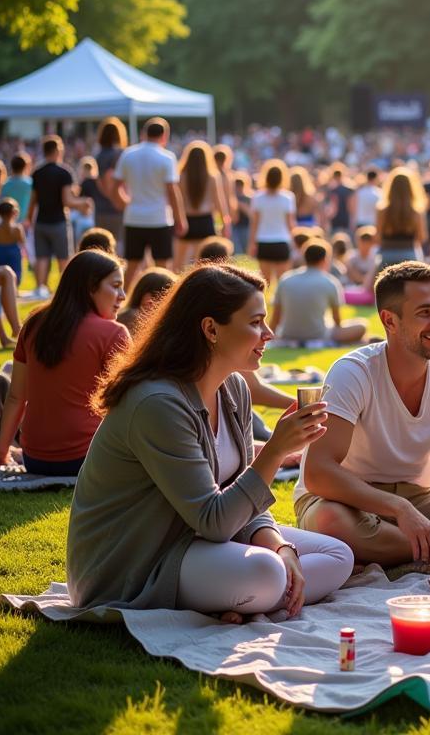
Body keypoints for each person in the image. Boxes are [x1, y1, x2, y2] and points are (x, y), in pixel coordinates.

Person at [66, 263, 354, 617]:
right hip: (139, 563)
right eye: (254, 322)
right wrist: (276, 450)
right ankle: (238, 596)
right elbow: (214, 521)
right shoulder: (157, 404)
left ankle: (235, 598)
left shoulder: (233, 388)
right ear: (211, 329)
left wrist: (280, 546)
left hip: (198, 541)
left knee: (337, 556)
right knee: (265, 573)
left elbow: (242, 497)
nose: (268, 333)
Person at [295, 261, 430, 566]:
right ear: (390, 321)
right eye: (425, 312)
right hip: (343, 498)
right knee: (332, 521)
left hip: (419, 499)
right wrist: (399, 509)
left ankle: (421, 545)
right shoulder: (353, 372)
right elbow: (318, 472)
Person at [0, 251, 130, 475]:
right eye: (116, 286)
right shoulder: (114, 333)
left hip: (35, 458)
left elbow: (16, 397)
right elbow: (127, 404)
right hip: (90, 458)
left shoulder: (33, 324)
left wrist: (1, 454)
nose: (123, 295)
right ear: (90, 287)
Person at [112, 119, 186, 287]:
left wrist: (124, 203)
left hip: (134, 217)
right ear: (164, 135)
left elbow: (115, 186)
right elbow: (172, 191)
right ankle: (161, 304)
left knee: (131, 266)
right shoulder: (167, 157)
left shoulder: (128, 154)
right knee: (162, 267)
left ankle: (123, 302)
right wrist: (180, 218)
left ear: (144, 133)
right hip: (159, 219)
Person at [29, 135, 93, 298]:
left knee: (42, 257)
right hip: (58, 222)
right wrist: (83, 202)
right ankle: (66, 291)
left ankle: (40, 289)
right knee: (63, 258)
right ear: (57, 150)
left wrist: (29, 219)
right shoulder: (64, 172)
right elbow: (67, 200)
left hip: (41, 221)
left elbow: (33, 200)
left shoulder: (37, 172)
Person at [270, 239, 368, 345]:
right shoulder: (330, 282)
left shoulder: (286, 279)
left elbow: (275, 318)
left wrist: (270, 337)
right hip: (319, 334)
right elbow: (337, 322)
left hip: (287, 334)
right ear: (325, 260)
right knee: (361, 326)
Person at [176, 141, 230, 270]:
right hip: (206, 222)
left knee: (179, 261)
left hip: (186, 221)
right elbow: (219, 203)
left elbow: (178, 201)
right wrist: (225, 223)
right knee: (206, 263)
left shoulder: (181, 176)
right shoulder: (213, 176)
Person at [249, 159, 297, 285]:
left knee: (265, 283)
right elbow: (290, 224)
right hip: (282, 242)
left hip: (263, 242)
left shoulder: (258, 197)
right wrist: (294, 241)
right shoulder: (288, 197)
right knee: (283, 282)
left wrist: (252, 243)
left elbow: (255, 224)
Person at [375, 167, 427, 269]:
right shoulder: (416, 212)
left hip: (387, 255)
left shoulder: (382, 211)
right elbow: (422, 237)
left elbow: (378, 237)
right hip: (410, 255)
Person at [93, 116, 127, 245]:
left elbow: (98, 179)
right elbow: (109, 178)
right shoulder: (120, 154)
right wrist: (118, 200)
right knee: (119, 246)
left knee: (102, 246)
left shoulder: (98, 155)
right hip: (117, 208)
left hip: (100, 208)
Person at [117, 267, 177, 336]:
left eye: (162, 298)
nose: (153, 301)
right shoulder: (129, 317)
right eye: (154, 295)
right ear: (140, 293)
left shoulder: (168, 325)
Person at [0, 198, 27, 288]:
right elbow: (23, 242)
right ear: (14, 213)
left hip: (0, 251)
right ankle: (14, 290)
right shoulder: (17, 228)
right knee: (15, 272)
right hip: (14, 252)